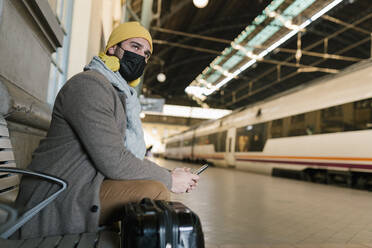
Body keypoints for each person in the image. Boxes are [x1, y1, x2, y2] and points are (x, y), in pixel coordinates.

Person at [14, 22, 199, 239]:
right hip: (56, 195)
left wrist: (167, 175)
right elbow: (115, 161)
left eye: (147, 54)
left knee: (153, 188)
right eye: (135, 47)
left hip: (80, 185)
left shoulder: (116, 93)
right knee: (155, 190)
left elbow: (121, 156)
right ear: (112, 48)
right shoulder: (90, 86)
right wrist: (169, 178)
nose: (141, 56)